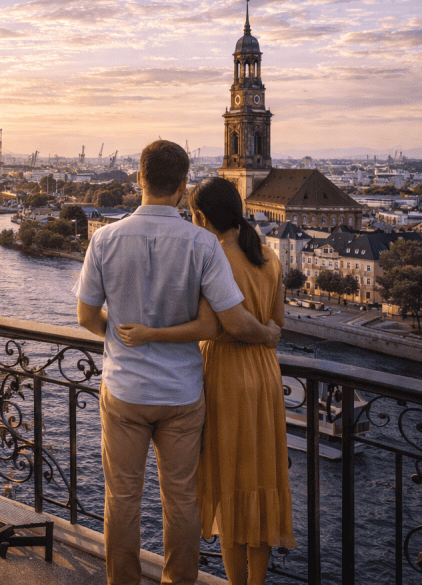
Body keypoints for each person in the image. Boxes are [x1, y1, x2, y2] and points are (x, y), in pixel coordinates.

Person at [76, 140, 280, 585]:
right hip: (182, 393)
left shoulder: (105, 239)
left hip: (126, 390)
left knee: (123, 500)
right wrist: (269, 335)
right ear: (183, 184)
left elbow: (86, 317)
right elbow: (223, 324)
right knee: (182, 500)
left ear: (138, 179)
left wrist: (123, 335)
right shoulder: (203, 244)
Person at [118, 176, 296, 585]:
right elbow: (279, 322)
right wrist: (264, 334)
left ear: (201, 217)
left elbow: (211, 328)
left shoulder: (211, 259)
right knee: (262, 481)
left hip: (225, 375)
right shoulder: (269, 256)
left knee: (231, 484)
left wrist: (148, 333)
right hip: (266, 376)